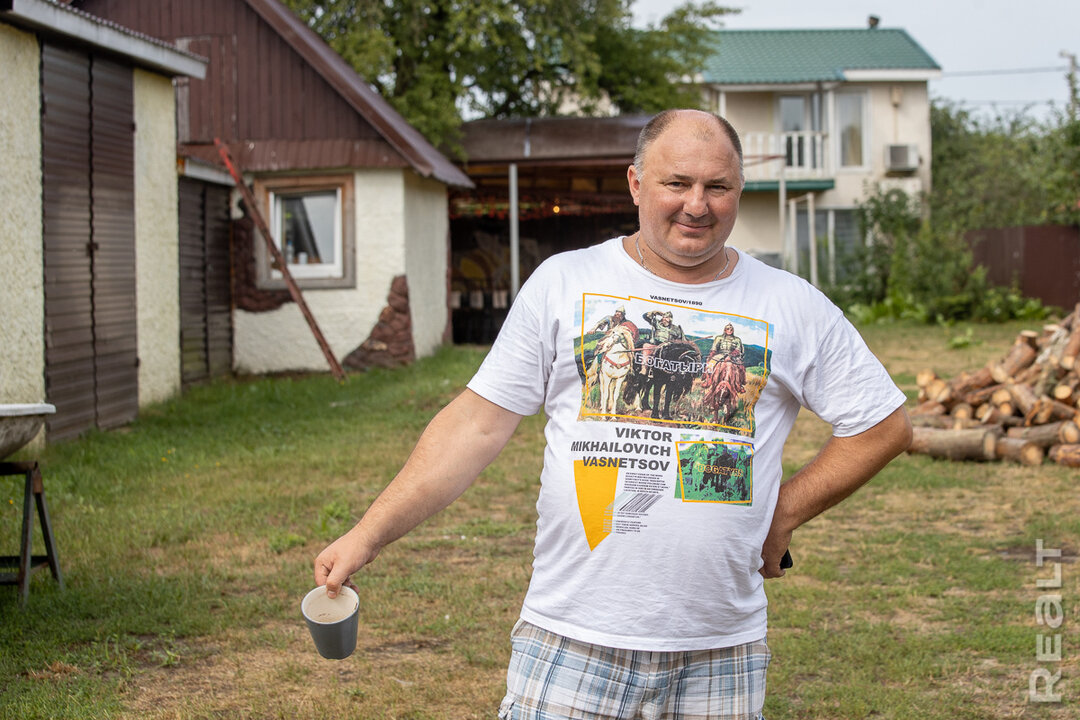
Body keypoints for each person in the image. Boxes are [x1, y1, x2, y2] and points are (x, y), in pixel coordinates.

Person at [314, 109, 912, 719]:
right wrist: (368, 533)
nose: (697, 206)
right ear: (635, 184)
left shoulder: (790, 304)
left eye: (718, 187)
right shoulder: (565, 282)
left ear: (739, 192)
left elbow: (883, 424)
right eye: (676, 184)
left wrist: (783, 510)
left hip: (720, 647)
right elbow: (476, 424)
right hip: (573, 635)